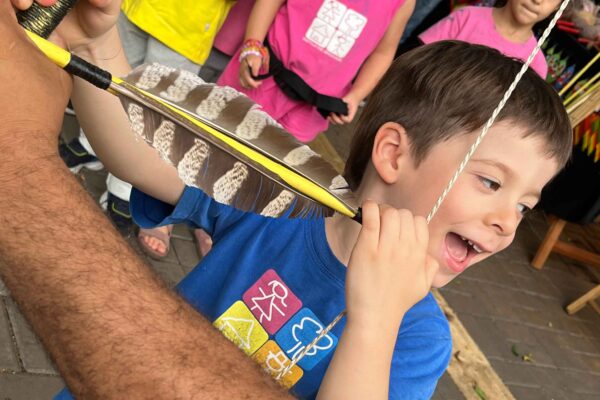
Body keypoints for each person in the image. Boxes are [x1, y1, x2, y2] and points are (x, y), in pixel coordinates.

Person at [53, 0, 571, 394]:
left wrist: (377, 320)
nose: (508, 221)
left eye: (526, 205)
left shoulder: (416, 336)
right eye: (492, 183)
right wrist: (94, 46)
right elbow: (139, 157)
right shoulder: (278, 204)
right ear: (392, 154)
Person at [0, 0, 297, 399]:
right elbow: (150, 156)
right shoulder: (286, 207)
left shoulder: (404, 341)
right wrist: (93, 44)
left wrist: (16, 158)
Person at [58, 0, 236, 259]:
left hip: (185, 26)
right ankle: (90, 144)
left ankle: (124, 189)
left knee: (154, 114)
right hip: (134, 7)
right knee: (105, 77)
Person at [217, 0, 416, 143]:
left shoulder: (403, 3)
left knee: (262, 169)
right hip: (262, 75)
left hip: (311, 109)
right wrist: (253, 44)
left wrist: (356, 95)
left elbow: (383, 52)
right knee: (215, 135)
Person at [418, 0, 561, 78]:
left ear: (558, 7)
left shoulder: (536, 64)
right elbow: (418, 57)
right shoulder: (466, 17)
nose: (537, 1)